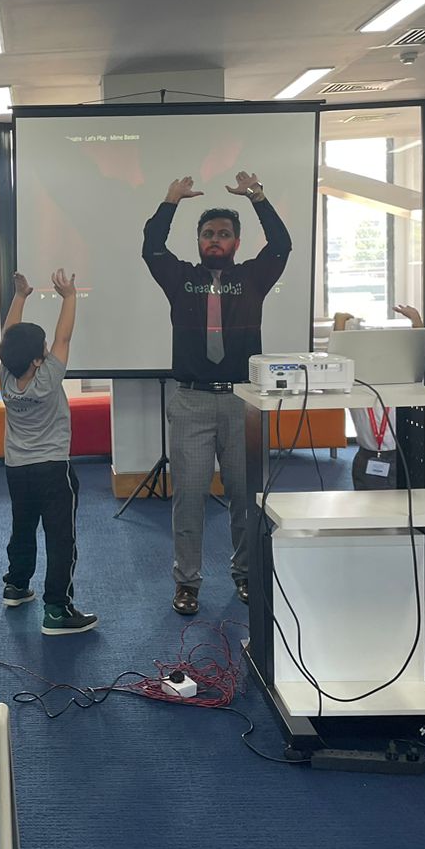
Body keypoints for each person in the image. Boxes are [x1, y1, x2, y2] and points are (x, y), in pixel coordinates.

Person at [142, 171, 292, 614]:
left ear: (236, 242)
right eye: (208, 233)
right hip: (190, 401)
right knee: (189, 496)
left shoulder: (252, 278)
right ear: (199, 240)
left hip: (242, 400)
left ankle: (245, 573)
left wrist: (259, 199)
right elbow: (151, 246)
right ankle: (187, 582)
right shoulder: (180, 277)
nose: (215, 240)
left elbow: (281, 245)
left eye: (224, 234)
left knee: (245, 496)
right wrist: (170, 200)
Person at [0, 270, 98, 635]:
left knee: (22, 528)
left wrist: (20, 297)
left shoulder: (6, 377)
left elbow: (9, 339)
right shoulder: (47, 377)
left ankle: (17, 584)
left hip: (17, 470)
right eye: (43, 348)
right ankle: (57, 609)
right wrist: (69, 296)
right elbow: (64, 335)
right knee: (61, 538)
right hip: (53, 470)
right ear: (39, 360)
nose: (48, 348)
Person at [331, 306, 422, 491]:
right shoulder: (356, 385)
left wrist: (416, 320)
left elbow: (419, 354)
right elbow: (337, 363)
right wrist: (338, 323)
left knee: (403, 508)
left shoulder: (401, 381)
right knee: (367, 507)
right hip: (367, 457)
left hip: (401, 456)